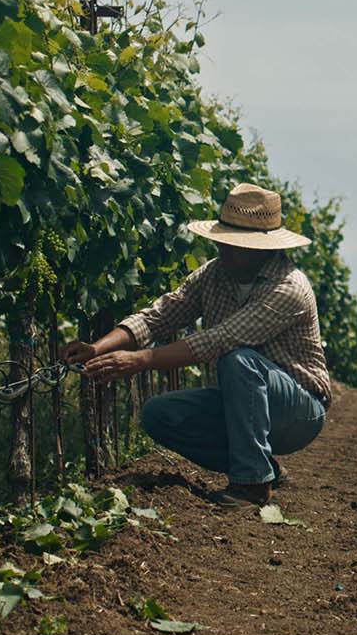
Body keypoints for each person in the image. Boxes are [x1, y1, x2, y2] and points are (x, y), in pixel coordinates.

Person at [62, 183, 330, 506]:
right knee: (158, 414)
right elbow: (159, 316)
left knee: (237, 359)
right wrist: (97, 348)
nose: (223, 250)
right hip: (243, 401)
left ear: (263, 248)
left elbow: (216, 340)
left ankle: (253, 485)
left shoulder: (289, 287)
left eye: (235, 245)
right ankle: (263, 466)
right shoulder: (215, 275)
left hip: (299, 410)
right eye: (223, 242)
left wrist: (138, 361)